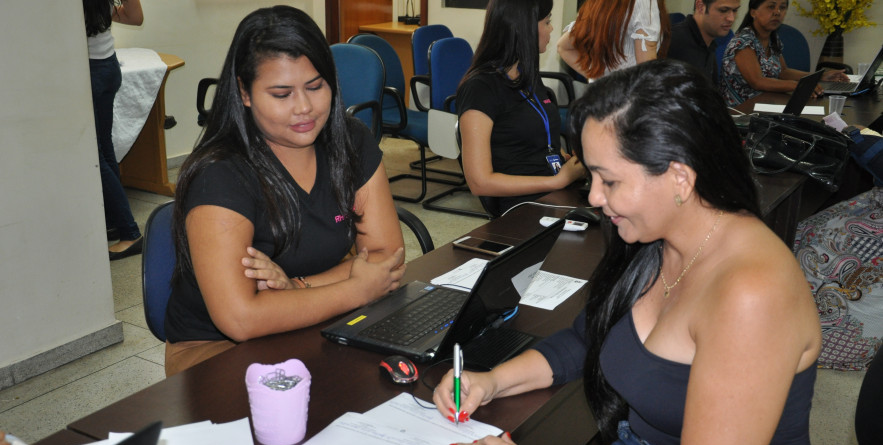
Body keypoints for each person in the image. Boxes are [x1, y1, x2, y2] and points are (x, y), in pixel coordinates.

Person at [434, 60, 822, 445]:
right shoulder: (657, 240)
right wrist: (492, 381)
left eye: (609, 180)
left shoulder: (752, 292)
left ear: (679, 177)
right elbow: (588, 339)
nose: (595, 197)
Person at [163, 6, 405, 375]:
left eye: (315, 86)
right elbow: (241, 319)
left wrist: (297, 288)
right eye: (281, 94)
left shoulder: (350, 140)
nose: (304, 108)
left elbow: (386, 255)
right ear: (244, 92)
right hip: (217, 353)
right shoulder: (220, 175)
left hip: (315, 323)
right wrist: (356, 289)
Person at [456, 0, 586, 218]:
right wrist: (559, 179)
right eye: (547, 22)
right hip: (521, 206)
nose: (551, 28)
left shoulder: (527, 76)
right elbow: (480, 182)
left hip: (554, 193)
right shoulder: (480, 88)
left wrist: (562, 159)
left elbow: (529, 140)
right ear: (525, 29)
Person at [83, 0, 145, 260]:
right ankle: (116, 222)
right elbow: (135, 17)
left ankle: (129, 232)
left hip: (92, 70)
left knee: (96, 156)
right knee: (104, 150)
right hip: (108, 65)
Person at [720, 0, 849, 107]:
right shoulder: (743, 42)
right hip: (743, 111)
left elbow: (783, 72)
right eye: (771, 6)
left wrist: (819, 76)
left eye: (782, 7)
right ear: (754, 12)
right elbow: (757, 81)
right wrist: (797, 86)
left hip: (769, 103)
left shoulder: (772, 39)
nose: (777, 12)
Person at [557, 0, 669, 81]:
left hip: (604, 98)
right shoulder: (645, 3)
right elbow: (646, 73)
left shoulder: (600, 4)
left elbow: (563, 47)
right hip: (630, 101)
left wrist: (599, 79)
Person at [668, 0, 741, 84]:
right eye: (723, 10)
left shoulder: (710, 43)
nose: (731, 18)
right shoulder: (673, 41)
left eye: (735, 10)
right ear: (700, 6)